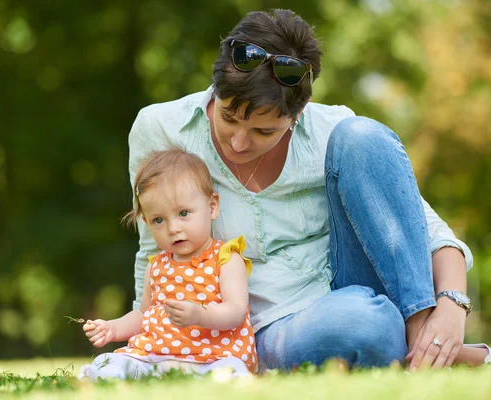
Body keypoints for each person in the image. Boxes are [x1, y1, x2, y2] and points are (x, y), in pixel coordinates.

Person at [126, 9, 490, 370]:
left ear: (297, 114)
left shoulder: (328, 129)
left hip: (346, 283)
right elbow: (151, 248)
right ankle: (429, 350)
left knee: (364, 135)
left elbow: (426, 232)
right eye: (228, 118)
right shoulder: (161, 128)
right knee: (365, 324)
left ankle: (420, 331)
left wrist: (452, 306)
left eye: (264, 131)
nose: (238, 142)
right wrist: (143, 341)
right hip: (265, 326)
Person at [79, 149, 258, 380]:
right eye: (159, 220)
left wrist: (199, 315)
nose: (172, 229)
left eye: (183, 213)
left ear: (212, 206)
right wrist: (113, 328)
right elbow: (144, 313)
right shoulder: (156, 266)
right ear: (147, 222)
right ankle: (117, 375)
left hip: (211, 358)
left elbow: (235, 311)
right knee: (106, 361)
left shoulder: (225, 257)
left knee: (231, 372)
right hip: (154, 357)